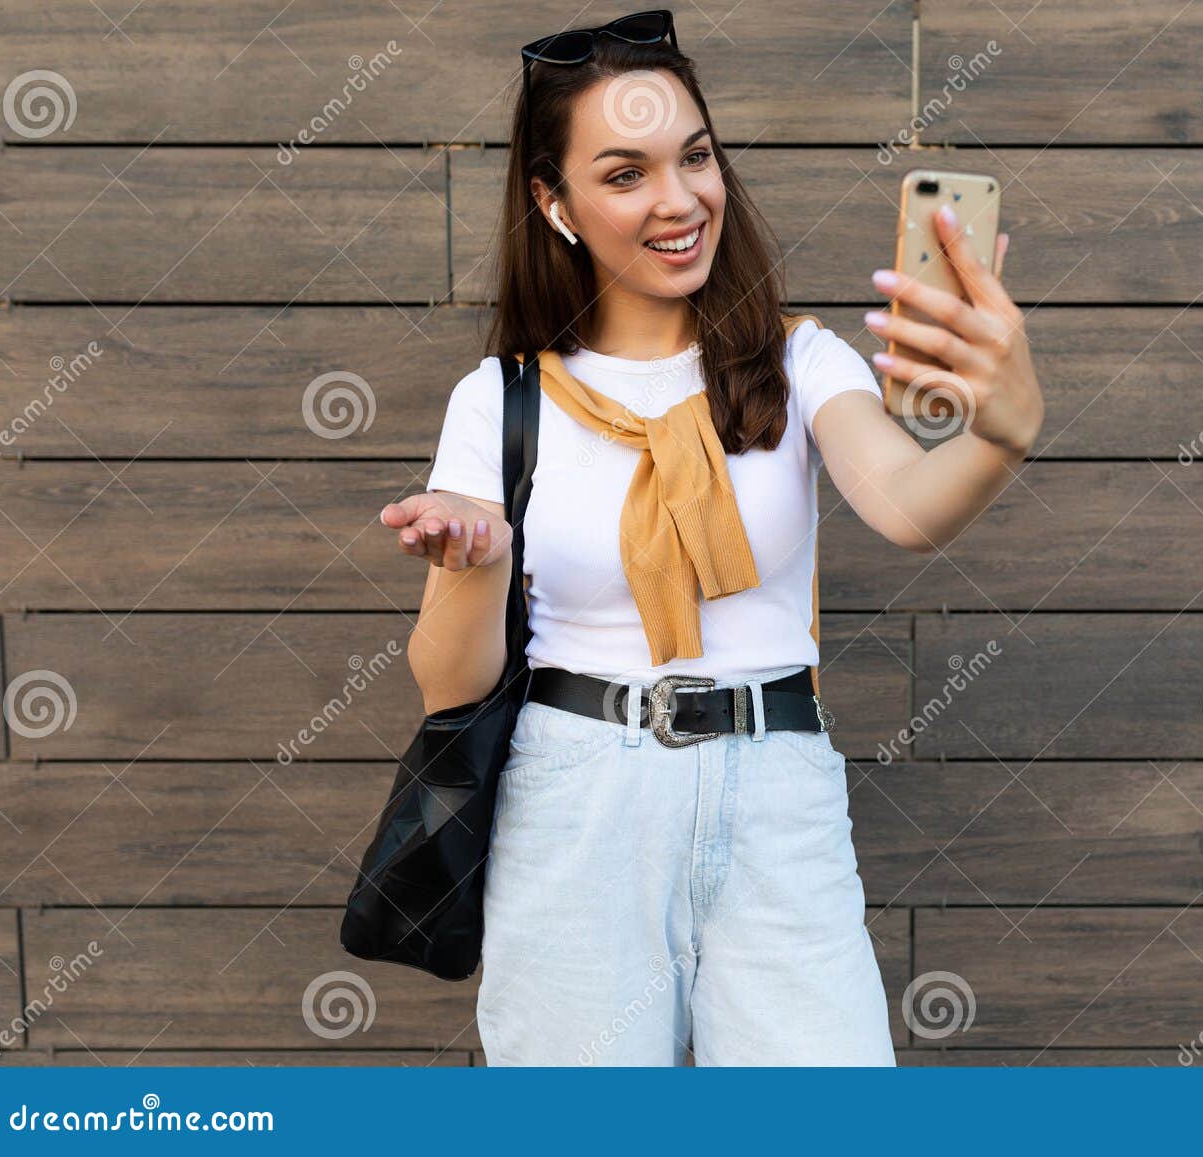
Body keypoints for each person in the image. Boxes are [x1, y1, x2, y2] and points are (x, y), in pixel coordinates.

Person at [378, 9, 1043, 1066]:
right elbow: (447, 683)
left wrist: (1003, 427)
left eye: (694, 156)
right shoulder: (502, 399)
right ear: (554, 203)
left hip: (775, 790)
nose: (680, 199)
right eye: (626, 173)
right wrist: (474, 563)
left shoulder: (802, 361)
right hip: (576, 799)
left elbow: (911, 507)